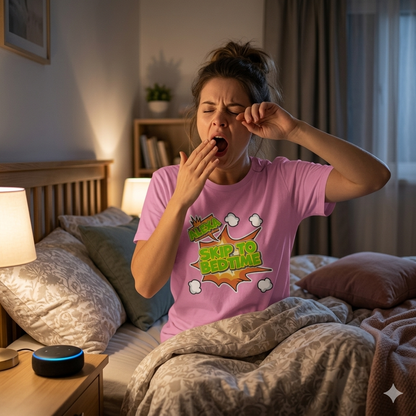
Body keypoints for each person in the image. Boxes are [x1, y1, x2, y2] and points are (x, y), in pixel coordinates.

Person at [131, 41, 390, 343]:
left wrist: (295, 130)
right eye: (208, 109)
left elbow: (374, 177)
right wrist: (180, 202)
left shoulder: (283, 179)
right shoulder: (166, 182)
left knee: (352, 347)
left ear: (253, 122)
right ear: (197, 118)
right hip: (193, 341)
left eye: (233, 110)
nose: (219, 119)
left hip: (269, 335)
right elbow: (146, 286)